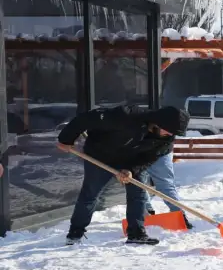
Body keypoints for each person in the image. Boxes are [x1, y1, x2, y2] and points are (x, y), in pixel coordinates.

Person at [56, 105, 191, 246]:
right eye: (169, 131)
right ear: (159, 122)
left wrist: (131, 169)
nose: (170, 135)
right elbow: (85, 119)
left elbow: (149, 157)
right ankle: (75, 234)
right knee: (90, 194)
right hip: (100, 156)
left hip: (132, 160)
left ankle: (136, 233)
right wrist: (66, 139)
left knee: (138, 194)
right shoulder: (126, 115)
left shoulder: (166, 139)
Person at [144, 154, 194, 230]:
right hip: (159, 150)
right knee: (140, 183)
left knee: (164, 183)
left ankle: (179, 216)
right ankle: (146, 211)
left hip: (157, 150)